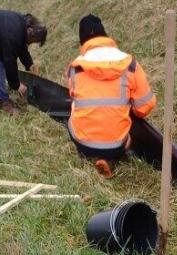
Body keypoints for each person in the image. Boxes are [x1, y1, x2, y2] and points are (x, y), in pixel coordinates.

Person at [66, 15, 156, 178]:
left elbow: (74, 98)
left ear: (82, 41)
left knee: (73, 106)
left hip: (83, 143)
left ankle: (90, 154)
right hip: (117, 145)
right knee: (125, 127)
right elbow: (145, 107)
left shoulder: (75, 68)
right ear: (106, 35)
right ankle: (110, 158)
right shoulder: (130, 64)